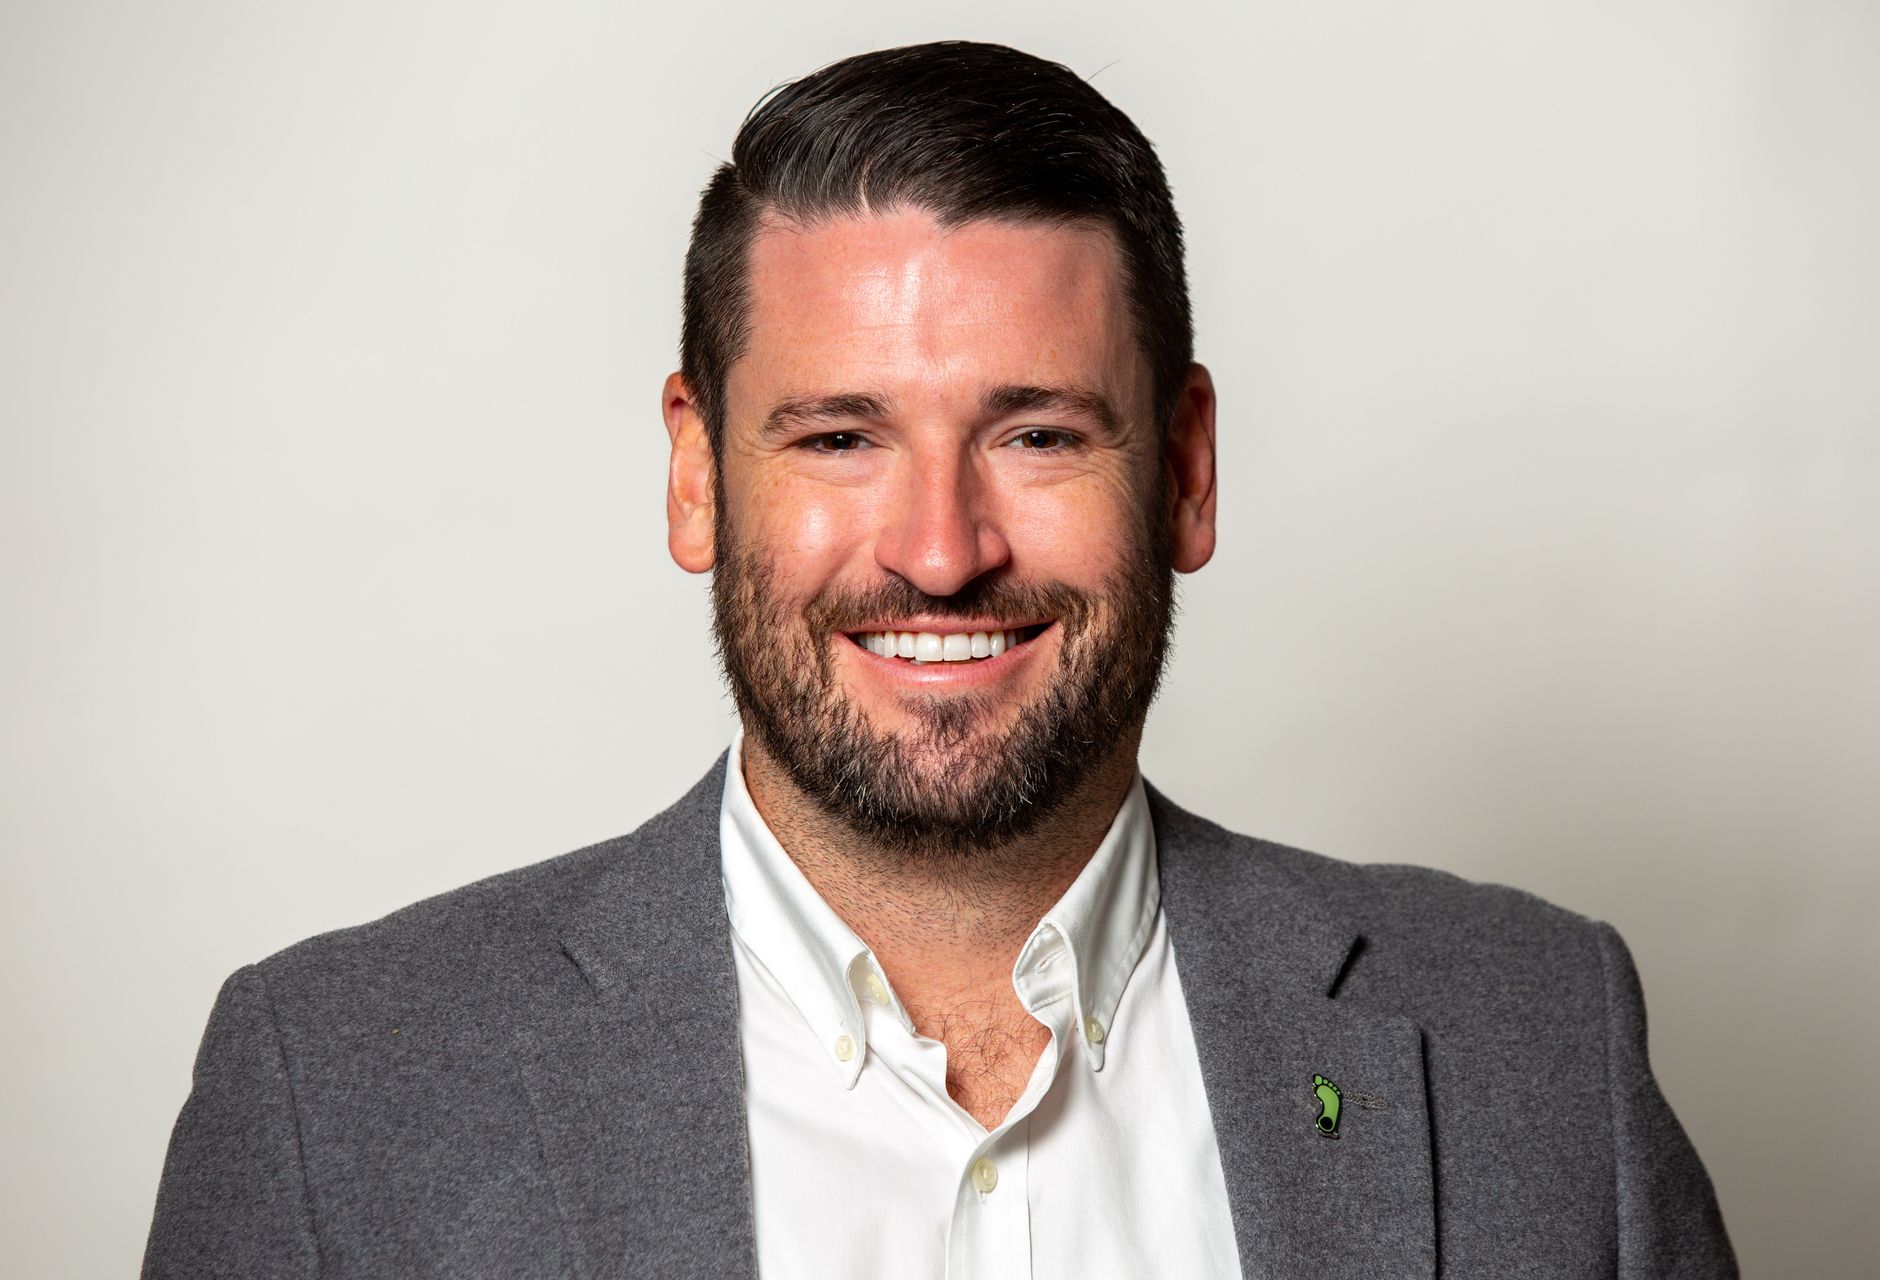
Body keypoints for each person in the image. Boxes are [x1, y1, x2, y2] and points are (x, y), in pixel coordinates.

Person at [142, 41, 1737, 1279]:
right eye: (840, 435)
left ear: (1184, 470)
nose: (940, 545)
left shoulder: (1537, 1047)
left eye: (1037, 432)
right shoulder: (333, 1101)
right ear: (697, 477)